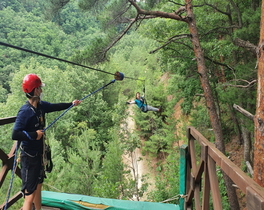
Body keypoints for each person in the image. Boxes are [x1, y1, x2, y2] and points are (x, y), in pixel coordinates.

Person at [12, 73, 81, 210]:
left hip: (38, 154)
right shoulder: (25, 111)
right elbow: (15, 134)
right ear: (35, 90)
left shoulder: (40, 107)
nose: (41, 91)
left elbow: (55, 106)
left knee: (38, 186)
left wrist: (71, 104)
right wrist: (34, 134)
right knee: (29, 194)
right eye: (39, 88)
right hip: (29, 157)